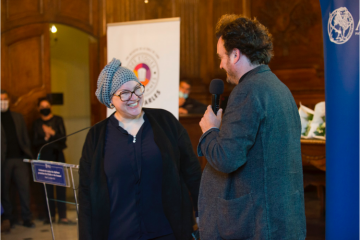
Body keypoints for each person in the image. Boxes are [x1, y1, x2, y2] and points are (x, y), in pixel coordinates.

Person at [197, 15, 306, 239]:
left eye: (221, 57)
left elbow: (226, 158)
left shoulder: (248, 90)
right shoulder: (279, 87)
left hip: (257, 222)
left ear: (235, 54)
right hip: (279, 218)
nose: (220, 64)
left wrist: (210, 130)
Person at [78, 59, 202, 240]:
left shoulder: (165, 121)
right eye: (125, 93)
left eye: (137, 89)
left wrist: (202, 211)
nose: (134, 97)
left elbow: (192, 171)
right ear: (111, 100)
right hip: (117, 234)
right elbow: (86, 193)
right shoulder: (96, 136)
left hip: (168, 232)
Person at [32, 97, 75, 225]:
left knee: (60, 188)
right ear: (38, 108)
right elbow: (34, 142)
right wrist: (45, 138)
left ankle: (63, 216)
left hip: (57, 156)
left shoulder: (58, 120)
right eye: (42, 106)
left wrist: (52, 132)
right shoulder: (36, 123)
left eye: (47, 105)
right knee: (47, 189)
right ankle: (49, 216)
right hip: (43, 158)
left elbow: (63, 139)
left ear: (50, 107)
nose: (45, 108)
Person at [1, 90, 35, 228]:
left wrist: (28, 154)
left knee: (24, 190)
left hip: (20, 159)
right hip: (3, 161)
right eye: (0, 99)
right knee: (4, 191)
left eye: (4, 99)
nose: (3, 101)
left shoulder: (18, 116)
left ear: (9, 100)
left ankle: (27, 218)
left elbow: (25, 137)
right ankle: (8, 219)